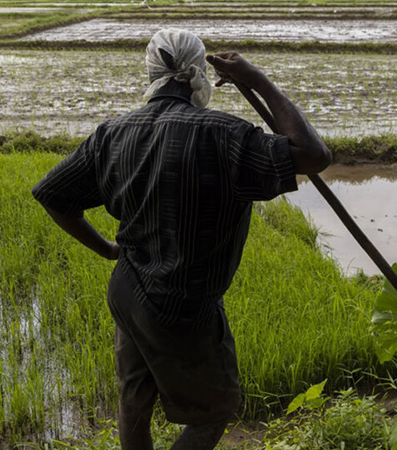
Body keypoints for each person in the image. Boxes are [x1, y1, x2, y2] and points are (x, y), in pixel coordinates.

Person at [32, 29, 331, 450]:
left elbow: (52, 194)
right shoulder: (225, 134)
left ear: (152, 72)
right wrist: (257, 80)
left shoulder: (113, 133)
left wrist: (107, 250)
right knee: (218, 408)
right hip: (182, 301)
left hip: (127, 287)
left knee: (134, 397)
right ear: (196, 74)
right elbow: (315, 156)